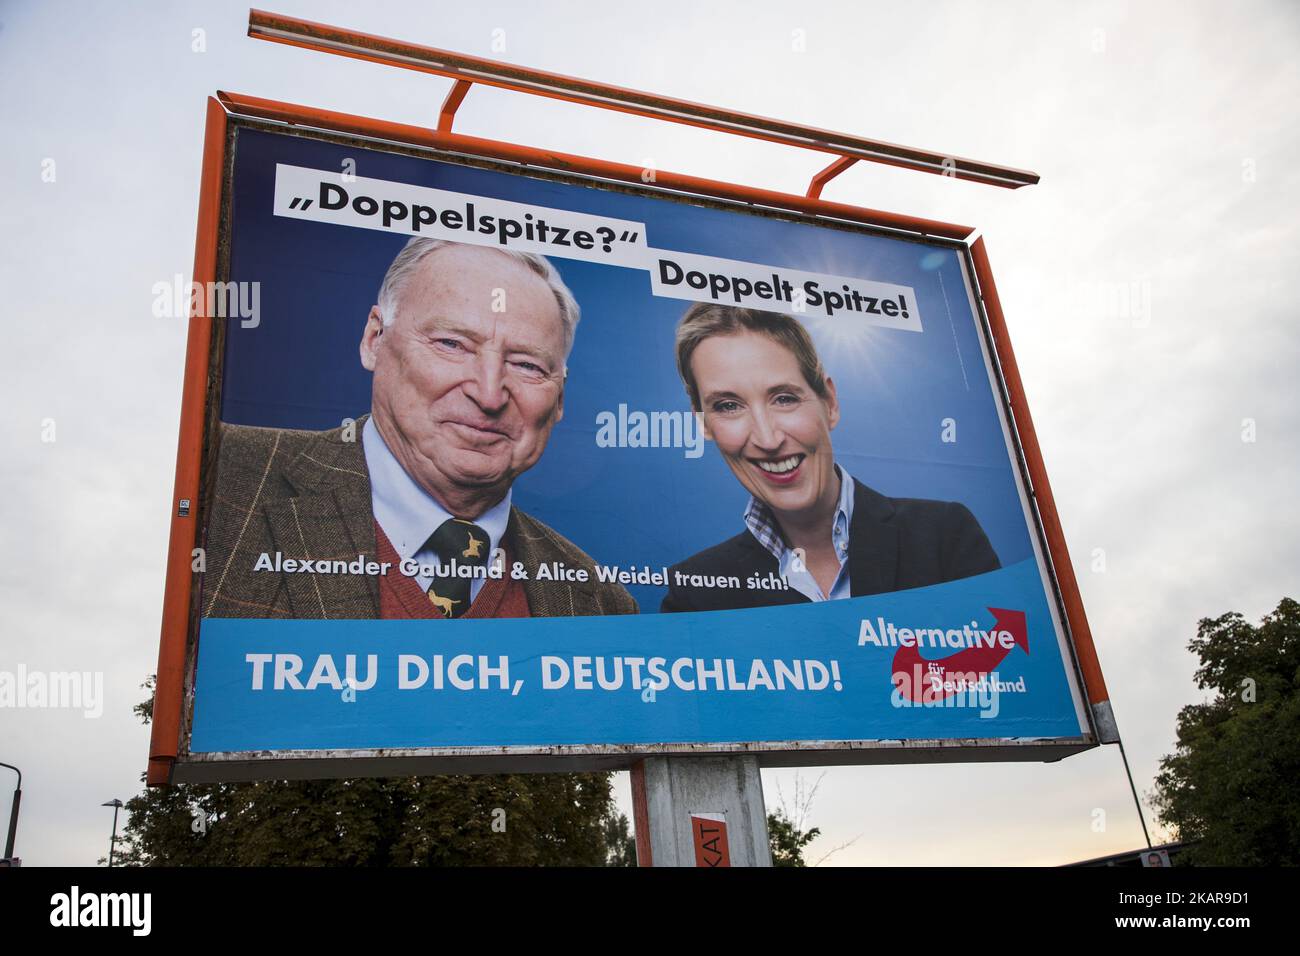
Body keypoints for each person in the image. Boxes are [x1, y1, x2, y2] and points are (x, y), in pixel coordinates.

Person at [202, 238, 636, 620]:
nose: (488, 394)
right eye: (451, 344)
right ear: (375, 339)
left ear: (559, 398)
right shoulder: (218, 478)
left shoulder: (600, 602)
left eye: (526, 365)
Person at [661, 303, 1000, 613]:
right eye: (728, 406)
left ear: (830, 403)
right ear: (705, 425)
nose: (767, 438)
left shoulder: (944, 536)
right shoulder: (695, 595)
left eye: (783, 398)